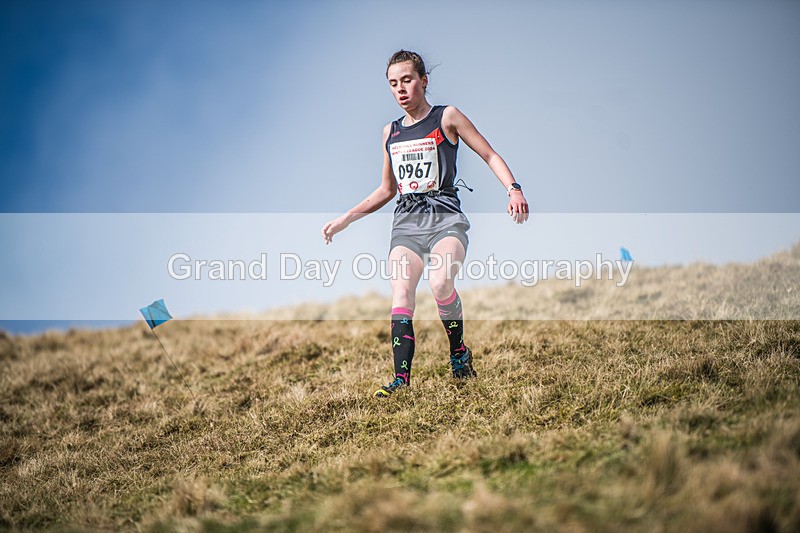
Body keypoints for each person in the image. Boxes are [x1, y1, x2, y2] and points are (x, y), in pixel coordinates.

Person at [321, 50, 529, 398]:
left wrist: (513, 189)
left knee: (440, 283)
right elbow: (387, 189)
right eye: (393, 84)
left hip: (445, 214)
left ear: (423, 81)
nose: (400, 89)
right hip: (406, 220)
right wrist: (346, 219)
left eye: (407, 80)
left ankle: (459, 353)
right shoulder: (390, 132)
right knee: (401, 293)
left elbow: (489, 154)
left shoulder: (446, 117)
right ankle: (401, 381)